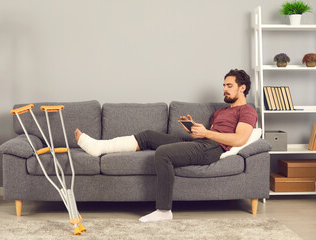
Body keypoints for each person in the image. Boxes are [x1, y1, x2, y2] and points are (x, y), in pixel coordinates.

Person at [74, 69, 258, 223]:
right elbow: (211, 133)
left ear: (242, 88)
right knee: (148, 136)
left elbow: (239, 139)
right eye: (224, 85)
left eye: (229, 86)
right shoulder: (221, 111)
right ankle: (100, 147)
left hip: (213, 149)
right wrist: (194, 129)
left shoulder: (247, 110)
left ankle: (164, 211)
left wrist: (206, 133)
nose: (224, 89)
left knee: (163, 153)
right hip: (202, 143)